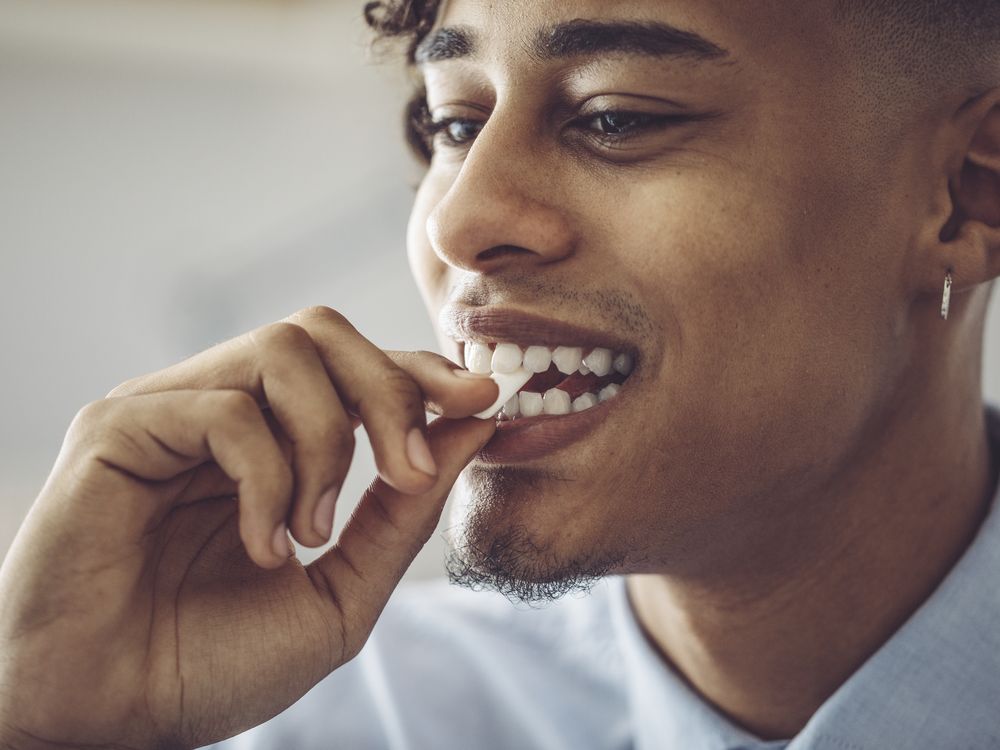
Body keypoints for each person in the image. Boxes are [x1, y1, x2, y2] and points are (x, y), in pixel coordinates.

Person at [2, 0, 999, 747]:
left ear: (964, 197)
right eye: (452, 122)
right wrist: (49, 728)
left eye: (615, 116)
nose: (457, 220)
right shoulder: (342, 719)